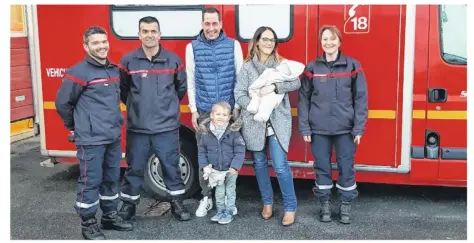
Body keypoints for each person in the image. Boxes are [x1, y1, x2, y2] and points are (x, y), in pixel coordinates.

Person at [55, 26, 132, 240]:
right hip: (90, 139)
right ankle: (88, 223)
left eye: (103, 42)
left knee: (111, 178)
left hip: (112, 136)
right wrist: (75, 126)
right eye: (95, 43)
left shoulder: (113, 70)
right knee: (91, 181)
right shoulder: (78, 72)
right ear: (86, 46)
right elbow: (63, 104)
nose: (101, 46)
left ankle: (109, 216)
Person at [117, 16, 190, 221]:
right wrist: (137, 106)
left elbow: (180, 89)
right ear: (139, 34)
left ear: (160, 34)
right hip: (138, 127)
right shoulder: (128, 61)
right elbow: (123, 90)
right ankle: (128, 206)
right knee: (135, 167)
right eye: (145, 31)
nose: (149, 35)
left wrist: (165, 107)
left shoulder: (173, 60)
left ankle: (177, 204)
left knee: (171, 166)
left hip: (166, 127)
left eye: (153, 31)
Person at [298, 25, 368, 224]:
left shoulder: (353, 66)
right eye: (325, 39)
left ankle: (345, 204)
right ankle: (325, 204)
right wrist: (305, 127)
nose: (328, 43)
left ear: (339, 41)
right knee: (322, 167)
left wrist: (358, 128)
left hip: (345, 129)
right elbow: (303, 99)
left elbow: (361, 98)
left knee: (346, 167)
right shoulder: (312, 68)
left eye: (332, 39)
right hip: (318, 129)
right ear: (321, 43)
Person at [234, 26, 301, 226]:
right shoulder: (247, 67)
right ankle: (268, 203)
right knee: (260, 165)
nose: (269, 43)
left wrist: (275, 86)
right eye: (265, 39)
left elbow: (296, 82)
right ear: (256, 42)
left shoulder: (281, 64)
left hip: (278, 121)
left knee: (280, 166)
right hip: (255, 122)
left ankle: (290, 207)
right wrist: (255, 106)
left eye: (272, 40)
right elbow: (239, 94)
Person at [185, 7, 244, 217]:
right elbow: (190, 80)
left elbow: (240, 78)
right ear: (202, 25)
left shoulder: (233, 45)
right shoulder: (192, 47)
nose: (211, 28)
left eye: (214, 23)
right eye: (207, 24)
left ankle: (228, 199)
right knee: (206, 158)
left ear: (221, 24)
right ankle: (207, 198)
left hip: (228, 113)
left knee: (228, 157)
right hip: (204, 111)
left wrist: (236, 107)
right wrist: (193, 110)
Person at [197, 102, 245, 224]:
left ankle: (228, 212)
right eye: (218, 114)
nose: (221, 117)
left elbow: (240, 150)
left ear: (229, 117)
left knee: (229, 191)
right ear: (211, 115)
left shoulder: (233, 132)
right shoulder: (206, 133)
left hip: (230, 171)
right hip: (216, 171)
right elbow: (202, 151)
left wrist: (235, 167)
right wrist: (204, 166)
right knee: (219, 193)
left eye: (224, 115)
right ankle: (220, 211)